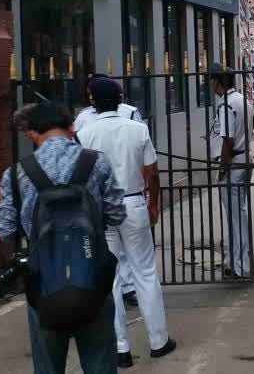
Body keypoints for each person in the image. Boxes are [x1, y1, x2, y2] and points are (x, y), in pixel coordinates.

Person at [0, 102, 127, 374]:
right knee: (100, 364)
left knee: (47, 367)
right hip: (93, 278)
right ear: (71, 127)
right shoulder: (96, 162)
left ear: (34, 132)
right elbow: (116, 215)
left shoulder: (17, 173)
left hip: (43, 284)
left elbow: (5, 229)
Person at [76, 78, 176, 367]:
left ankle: (119, 347)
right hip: (133, 202)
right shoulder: (137, 128)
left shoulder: (85, 134)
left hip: (102, 207)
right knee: (145, 272)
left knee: (112, 278)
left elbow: (83, 178)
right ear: (120, 99)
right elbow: (152, 173)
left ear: (93, 101)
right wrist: (153, 203)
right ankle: (158, 340)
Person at [75, 75, 141, 308]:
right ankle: (122, 290)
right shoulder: (83, 119)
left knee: (133, 252)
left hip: (128, 191)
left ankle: (130, 287)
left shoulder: (131, 113)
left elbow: (142, 155)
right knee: (113, 253)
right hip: (101, 194)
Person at [209, 66, 250, 278]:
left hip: (232, 162)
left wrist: (222, 169)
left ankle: (240, 266)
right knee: (239, 215)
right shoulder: (242, 100)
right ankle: (238, 262)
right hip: (242, 159)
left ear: (218, 83)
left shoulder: (227, 104)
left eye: (212, 82)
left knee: (236, 218)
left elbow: (228, 139)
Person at [74, 75, 143, 132]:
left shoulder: (130, 112)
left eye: (91, 94)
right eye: (89, 94)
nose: (90, 98)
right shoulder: (84, 115)